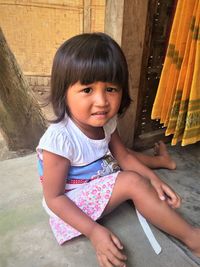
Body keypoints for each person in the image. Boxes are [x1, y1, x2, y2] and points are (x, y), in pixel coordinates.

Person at [37, 32, 200, 267]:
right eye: (87, 90)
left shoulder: (106, 122)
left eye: (111, 89)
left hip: (100, 173)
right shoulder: (59, 141)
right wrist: (94, 232)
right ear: (64, 92)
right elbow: (54, 198)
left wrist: (154, 180)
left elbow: (122, 156)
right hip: (71, 205)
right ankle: (193, 239)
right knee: (131, 181)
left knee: (126, 157)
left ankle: (163, 163)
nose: (102, 101)